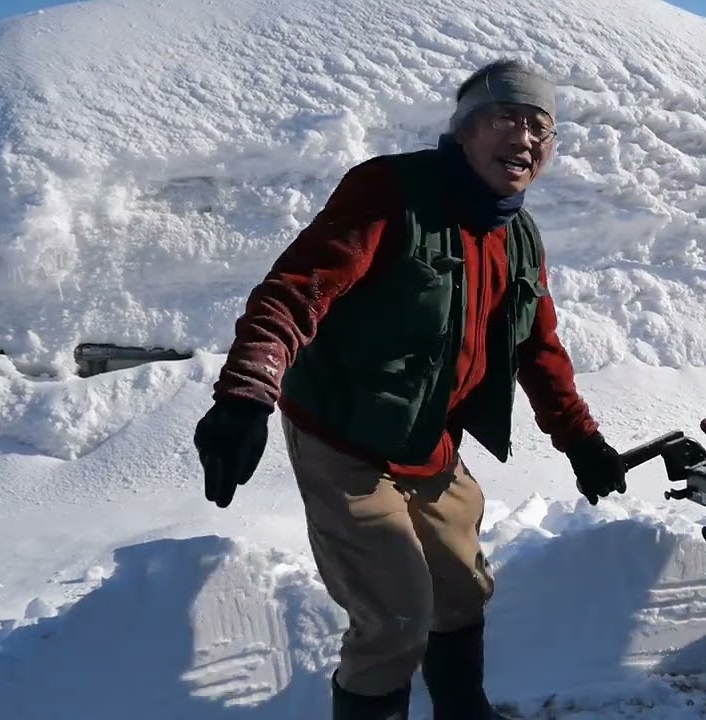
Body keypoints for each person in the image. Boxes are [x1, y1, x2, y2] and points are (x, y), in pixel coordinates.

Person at [192, 58, 629, 720]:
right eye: (508, 117)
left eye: (542, 126)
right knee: (395, 620)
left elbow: (536, 346)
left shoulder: (518, 234)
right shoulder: (389, 193)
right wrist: (246, 393)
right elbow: (296, 291)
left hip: (429, 441)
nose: (527, 137)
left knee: (461, 591)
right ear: (464, 129)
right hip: (345, 439)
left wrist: (580, 438)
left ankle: (463, 711)